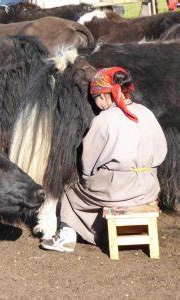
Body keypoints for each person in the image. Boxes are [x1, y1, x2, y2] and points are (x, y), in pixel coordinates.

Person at [41, 67, 167, 252]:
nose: (97, 104)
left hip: (118, 187)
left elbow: (88, 163)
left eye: (96, 99)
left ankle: (67, 236)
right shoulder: (146, 112)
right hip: (149, 187)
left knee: (71, 191)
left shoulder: (105, 119)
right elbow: (161, 150)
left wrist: (87, 176)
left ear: (104, 95)